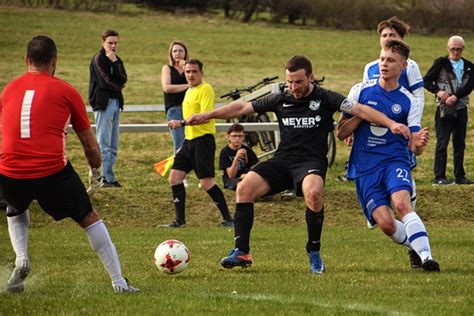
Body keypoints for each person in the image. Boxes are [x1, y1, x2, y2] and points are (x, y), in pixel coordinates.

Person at [186, 55, 410, 273]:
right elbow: (241, 108)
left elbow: (361, 110)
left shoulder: (326, 98)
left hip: (311, 161)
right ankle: (242, 252)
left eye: (299, 82)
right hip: (283, 160)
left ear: (310, 77)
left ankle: (313, 250)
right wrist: (207, 115)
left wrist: (391, 123)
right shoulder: (280, 98)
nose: (293, 87)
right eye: (289, 82)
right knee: (244, 188)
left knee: (313, 193)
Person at [0, 35, 139, 293]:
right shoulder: (66, 91)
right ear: (55, 62)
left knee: (15, 209)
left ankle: (21, 259)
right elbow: (90, 145)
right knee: (89, 218)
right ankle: (119, 282)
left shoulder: (8, 89)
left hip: (9, 170)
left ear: (26, 60)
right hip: (50, 171)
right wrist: (96, 173)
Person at [337, 40, 440, 272]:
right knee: (385, 224)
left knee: (402, 204)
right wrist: (364, 113)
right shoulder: (360, 91)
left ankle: (427, 258)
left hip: (394, 160)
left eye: (391, 60)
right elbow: (341, 132)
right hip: (365, 167)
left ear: (403, 66)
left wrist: (420, 143)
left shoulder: (408, 100)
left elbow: (415, 146)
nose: (384, 64)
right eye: (382, 59)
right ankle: (415, 243)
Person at [160, 59, 233, 228]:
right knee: (175, 177)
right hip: (189, 141)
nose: (190, 75)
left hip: (203, 141)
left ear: (201, 73)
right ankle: (180, 221)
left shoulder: (205, 89)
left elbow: (205, 116)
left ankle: (228, 219)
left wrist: (182, 123)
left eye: (194, 71)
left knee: (207, 183)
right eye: (187, 72)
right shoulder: (189, 91)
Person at [362, 16, 424, 211]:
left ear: (402, 39)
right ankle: (378, 206)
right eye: (384, 35)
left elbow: (419, 96)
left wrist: (414, 125)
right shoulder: (371, 67)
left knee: (403, 163)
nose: (388, 38)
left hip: (400, 122)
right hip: (377, 125)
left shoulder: (410, 66)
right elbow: (362, 101)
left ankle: (409, 206)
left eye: (393, 35)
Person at [424, 35, 474, 185]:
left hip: (461, 108)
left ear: (463, 49)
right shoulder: (441, 63)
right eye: (453, 49)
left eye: (459, 49)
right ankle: (439, 176)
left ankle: (460, 176)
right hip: (443, 109)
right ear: (448, 48)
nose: (456, 52)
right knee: (442, 142)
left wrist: (456, 96)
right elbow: (426, 80)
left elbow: (470, 85)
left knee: (459, 142)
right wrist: (438, 92)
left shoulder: (469, 66)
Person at [89, 30, 127, 188]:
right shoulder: (98, 59)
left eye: (115, 43)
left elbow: (124, 78)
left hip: (116, 104)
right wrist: (118, 87)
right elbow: (104, 82)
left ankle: (109, 177)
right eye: (110, 42)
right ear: (103, 42)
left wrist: (115, 62)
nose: (113, 46)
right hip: (103, 104)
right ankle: (102, 178)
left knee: (113, 145)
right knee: (103, 144)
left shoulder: (116, 59)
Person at [161, 40, 189, 155]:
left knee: (190, 143)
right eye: (175, 51)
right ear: (171, 54)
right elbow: (167, 88)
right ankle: (178, 172)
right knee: (179, 144)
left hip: (189, 109)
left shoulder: (189, 69)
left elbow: (197, 84)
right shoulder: (167, 68)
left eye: (180, 51)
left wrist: (185, 66)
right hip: (175, 109)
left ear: (185, 53)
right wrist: (188, 86)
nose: (177, 53)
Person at [219, 123, 259, 190]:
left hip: (246, 176)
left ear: (243, 137)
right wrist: (237, 157)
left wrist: (249, 175)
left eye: (240, 136)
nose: (237, 138)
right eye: (234, 136)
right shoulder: (225, 152)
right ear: (229, 137)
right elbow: (231, 175)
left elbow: (255, 167)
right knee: (242, 185)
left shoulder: (247, 150)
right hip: (231, 180)